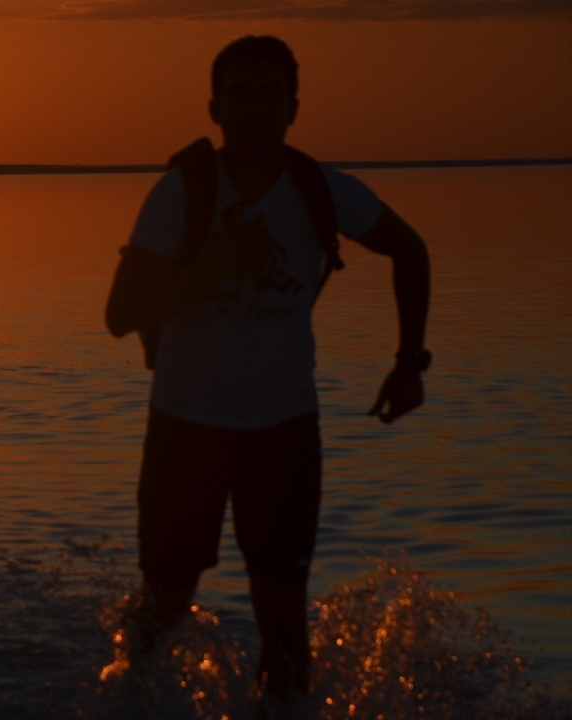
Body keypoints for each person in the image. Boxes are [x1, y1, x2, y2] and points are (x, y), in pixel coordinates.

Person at [104, 36, 430, 716]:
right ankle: (119, 697)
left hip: (283, 429)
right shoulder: (180, 195)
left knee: (282, 610)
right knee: (165, 598)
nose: (255, 107)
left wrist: (408, 362)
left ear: (293, 108)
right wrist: (214, 268)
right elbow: (121, 313)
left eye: (269, 94)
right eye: (240, 94)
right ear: (215, 108)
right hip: (185, 429)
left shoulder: (322, 191)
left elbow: (410, 248)